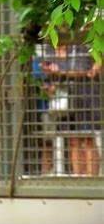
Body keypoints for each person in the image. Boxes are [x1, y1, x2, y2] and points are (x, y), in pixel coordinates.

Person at [41, 43, 101, 176]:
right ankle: (79, 176)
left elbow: (85, 69)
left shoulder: (80, 45)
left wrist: (60, 71)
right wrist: (48, 84)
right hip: (63, 99)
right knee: (73, 139)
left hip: (86, 96)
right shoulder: (50, 46)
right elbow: (47, 72)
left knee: (88, 138)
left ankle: (91, 178)